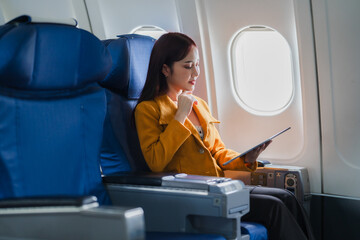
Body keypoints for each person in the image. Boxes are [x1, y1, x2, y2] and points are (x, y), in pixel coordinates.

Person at [134, 32, 315, 240]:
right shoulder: (148, 110)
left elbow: (217, 151)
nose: (196, 72)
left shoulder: (199, 105)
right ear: (165, 69)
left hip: (219, 189)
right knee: (274, 207)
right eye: (187, 66)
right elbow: (156, 162)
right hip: (191, 194)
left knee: (287, 197)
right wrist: (180, 116)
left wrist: (245, 159)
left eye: (197, 64)